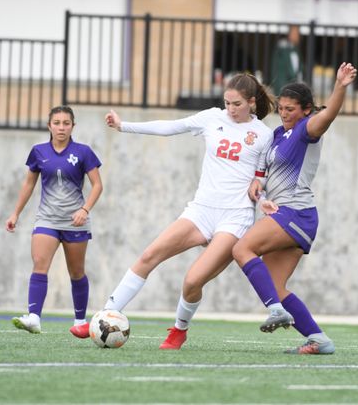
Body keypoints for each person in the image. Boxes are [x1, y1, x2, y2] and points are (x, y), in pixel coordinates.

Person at [103, 73, 275, 350]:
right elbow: (171, 126)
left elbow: (263, 176)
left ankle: (179, 330)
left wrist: (262, 192)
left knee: (192, 281)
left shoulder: (265, 136)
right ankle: (104, 316)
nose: (230, 109)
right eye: (227, 103)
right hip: (201, 210)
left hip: (235, 217)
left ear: (252, 103)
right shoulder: (211, 118)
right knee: (149, 255)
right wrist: (124, 126)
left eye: (237, 104)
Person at [232, 62, 358, 355]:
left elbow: (329, 115)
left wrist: (340, 86)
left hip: (296, 213)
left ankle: (275, 311)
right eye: (282, 108)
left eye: (291, 109)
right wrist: (257, 185)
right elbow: (264, 172)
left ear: (305, 110)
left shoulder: (306, 129)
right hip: (286, 215)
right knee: (276, 287)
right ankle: (320, 340)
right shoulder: (278, 134)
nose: (285, 114)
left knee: (241, 249)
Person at [5, 105, 103, 337]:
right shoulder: (38, 151)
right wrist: (15, 213)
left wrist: (85, 209)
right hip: (47, 219)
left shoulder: (83, 152)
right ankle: (34, 318)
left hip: (75, 222)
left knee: (77, 272)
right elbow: (29, 184)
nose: (61, 127)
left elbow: (98, 185)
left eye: (66, 123)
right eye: (56, 123)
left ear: (72, 126)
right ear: (49, 126)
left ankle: (80, 321)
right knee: (40, 264)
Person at [270, 25, 303, 95]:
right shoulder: (282, 48)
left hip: (293, 86)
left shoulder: (296, 50)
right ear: (289, 34)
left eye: (298, 34)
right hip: (283, 85)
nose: (297, 36)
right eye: (294, 33)